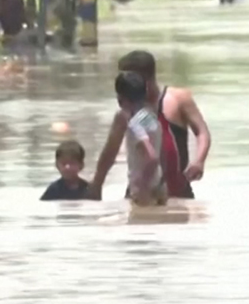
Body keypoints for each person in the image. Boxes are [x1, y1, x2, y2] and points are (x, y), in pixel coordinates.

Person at [89, 50, 211, 200]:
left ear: (145, 78)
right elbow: (110, 150)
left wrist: (199, 161)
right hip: (139, 192)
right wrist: (97, 184)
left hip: (177, 190)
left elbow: (201, 131)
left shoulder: (177, 99)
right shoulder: (127, 112)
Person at [115, 71, 166, 206]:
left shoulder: (135, 124)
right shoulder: (152, 118)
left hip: (146, 189)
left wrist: (142, 187)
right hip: (158, 185)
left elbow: (152, 157)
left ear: (120, 99)